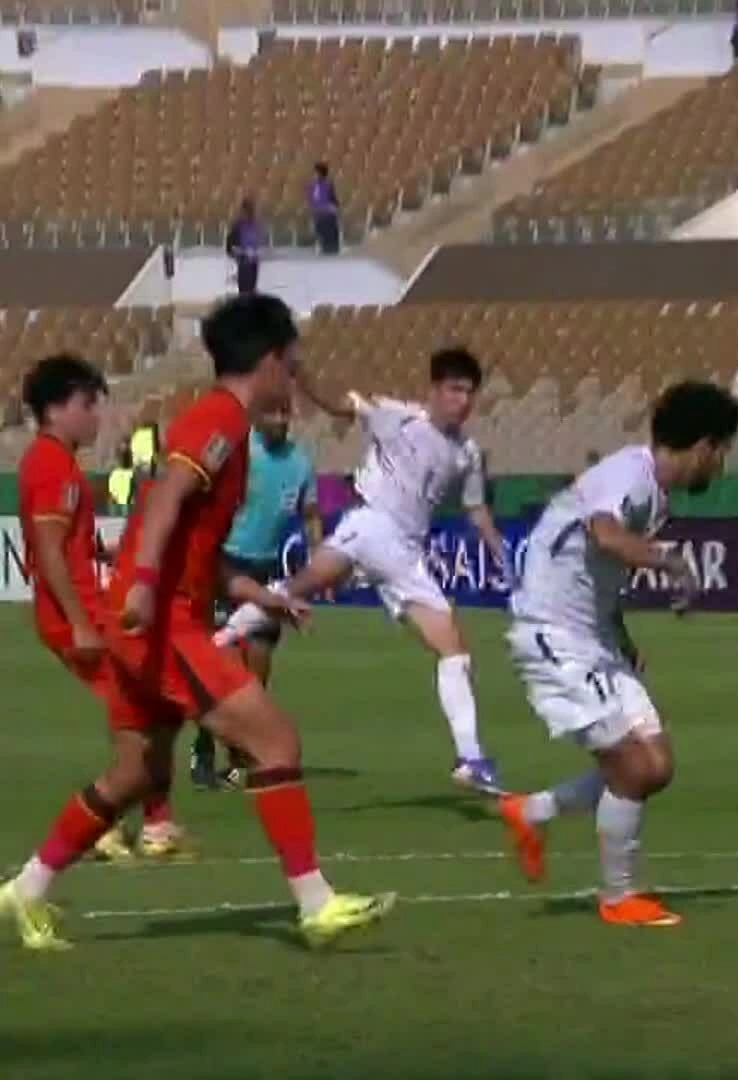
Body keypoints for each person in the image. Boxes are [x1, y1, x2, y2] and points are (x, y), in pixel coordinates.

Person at [0, 294, 394, 952]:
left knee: (134, 775)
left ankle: (27, 888)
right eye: (292, 364)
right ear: (269, 361)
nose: (294, 378)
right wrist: (144, 584)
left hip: (151, 618)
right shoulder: (219, 420)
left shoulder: (226, 426)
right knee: (275, 741)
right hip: (160, 624)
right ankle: (316, 904)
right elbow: (165, 502)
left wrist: (261, 596)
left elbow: (197, 545)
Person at [498, 381, 738, 930]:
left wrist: (622, 638)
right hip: (552, 634)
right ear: (704, 446)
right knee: (633, 766)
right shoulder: (629, 475)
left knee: (657, 767)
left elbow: (598, 573)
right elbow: (605, 536)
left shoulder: (653, 494)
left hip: (594, 638)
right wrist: (670, 563)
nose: (721, 466)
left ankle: (532, 811)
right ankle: (619, 896)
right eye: (722, 451)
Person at [215, 348, 510, 794]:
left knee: (301, 589)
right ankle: (470, 756)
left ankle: (218, 639)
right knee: (446, 643)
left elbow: (476, 508)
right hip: (372, 526)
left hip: (403, 549)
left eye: (469, 392)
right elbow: (340, 405)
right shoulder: (398, 418)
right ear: (434, 390)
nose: (462, 401)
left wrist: (497, 547)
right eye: (454, 389)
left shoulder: (466, 452)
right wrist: (301, 373)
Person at [17, 355, 188, 864]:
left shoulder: (57, 462)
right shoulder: (50, 464)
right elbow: (48, 550)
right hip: (78, 618)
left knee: (150, 708)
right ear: (55, 409)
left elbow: (65, 545)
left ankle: (149, 823)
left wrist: (105, 553)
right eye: (87, 404)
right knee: (144, 714)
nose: (96, 415)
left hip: (87, 611)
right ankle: (123, 826)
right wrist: (79, 623)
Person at [191, 398, 322, 791]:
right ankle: (205, 747)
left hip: (266, 570)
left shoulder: (300, 463)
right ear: (256, 416)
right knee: (223, 666)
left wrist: (318, 555)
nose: (280, 419)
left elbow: (310, 514)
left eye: (285, 413)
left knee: (258, 669)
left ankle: (241, 756)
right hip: (225, 565)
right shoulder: (239, 453)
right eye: (272, 413)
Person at [225, 198, 264, 296]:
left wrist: (257, 252)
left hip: (253, 262)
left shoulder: (256, 225)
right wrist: (240, 252)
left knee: (251, 290)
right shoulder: (238, 226)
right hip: (244, 262)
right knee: (244, 291)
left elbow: (259, 242)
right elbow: (230, 245)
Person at [309, 163, 341, 256]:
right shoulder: (323, 184)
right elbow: (331, 198)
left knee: (327, 220)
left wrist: (335, 205)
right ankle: (329, 246)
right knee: (328, 220)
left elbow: (330, 197)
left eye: (315, 173)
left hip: (321, 212)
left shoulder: (315, 184)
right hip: (322, 212)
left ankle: (327, 246)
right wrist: (336, 205)